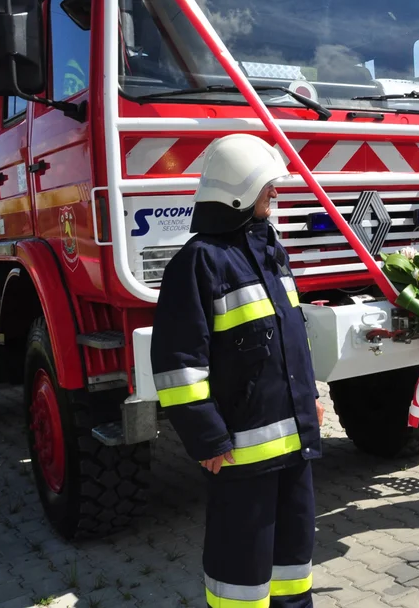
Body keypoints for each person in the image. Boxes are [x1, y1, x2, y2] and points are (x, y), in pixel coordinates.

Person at [151, 134, 323, 608]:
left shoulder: (270, 250)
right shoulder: (199, 262)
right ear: (238, 192)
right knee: (239, 573)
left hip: (295, 448)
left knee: (293, 564)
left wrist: (309, 400)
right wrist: (206, 438)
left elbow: (291, 340)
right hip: (239, 458)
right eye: (269, 187)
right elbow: (178, 365)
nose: (276, 194)